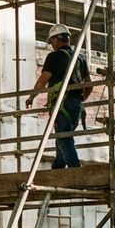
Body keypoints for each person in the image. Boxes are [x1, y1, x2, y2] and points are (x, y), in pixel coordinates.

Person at [25, 23, 92, 169]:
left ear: (56, 39)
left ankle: (76, 171)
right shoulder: (80, 57)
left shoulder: (54, 56)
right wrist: (81, 99)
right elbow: (88, 84)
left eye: (52, 41)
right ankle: (57, 169)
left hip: (62, 105)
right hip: (76, 107)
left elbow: (43, 79)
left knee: (63, 139)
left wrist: (31, 97)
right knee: (61, 139)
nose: (52, 45)